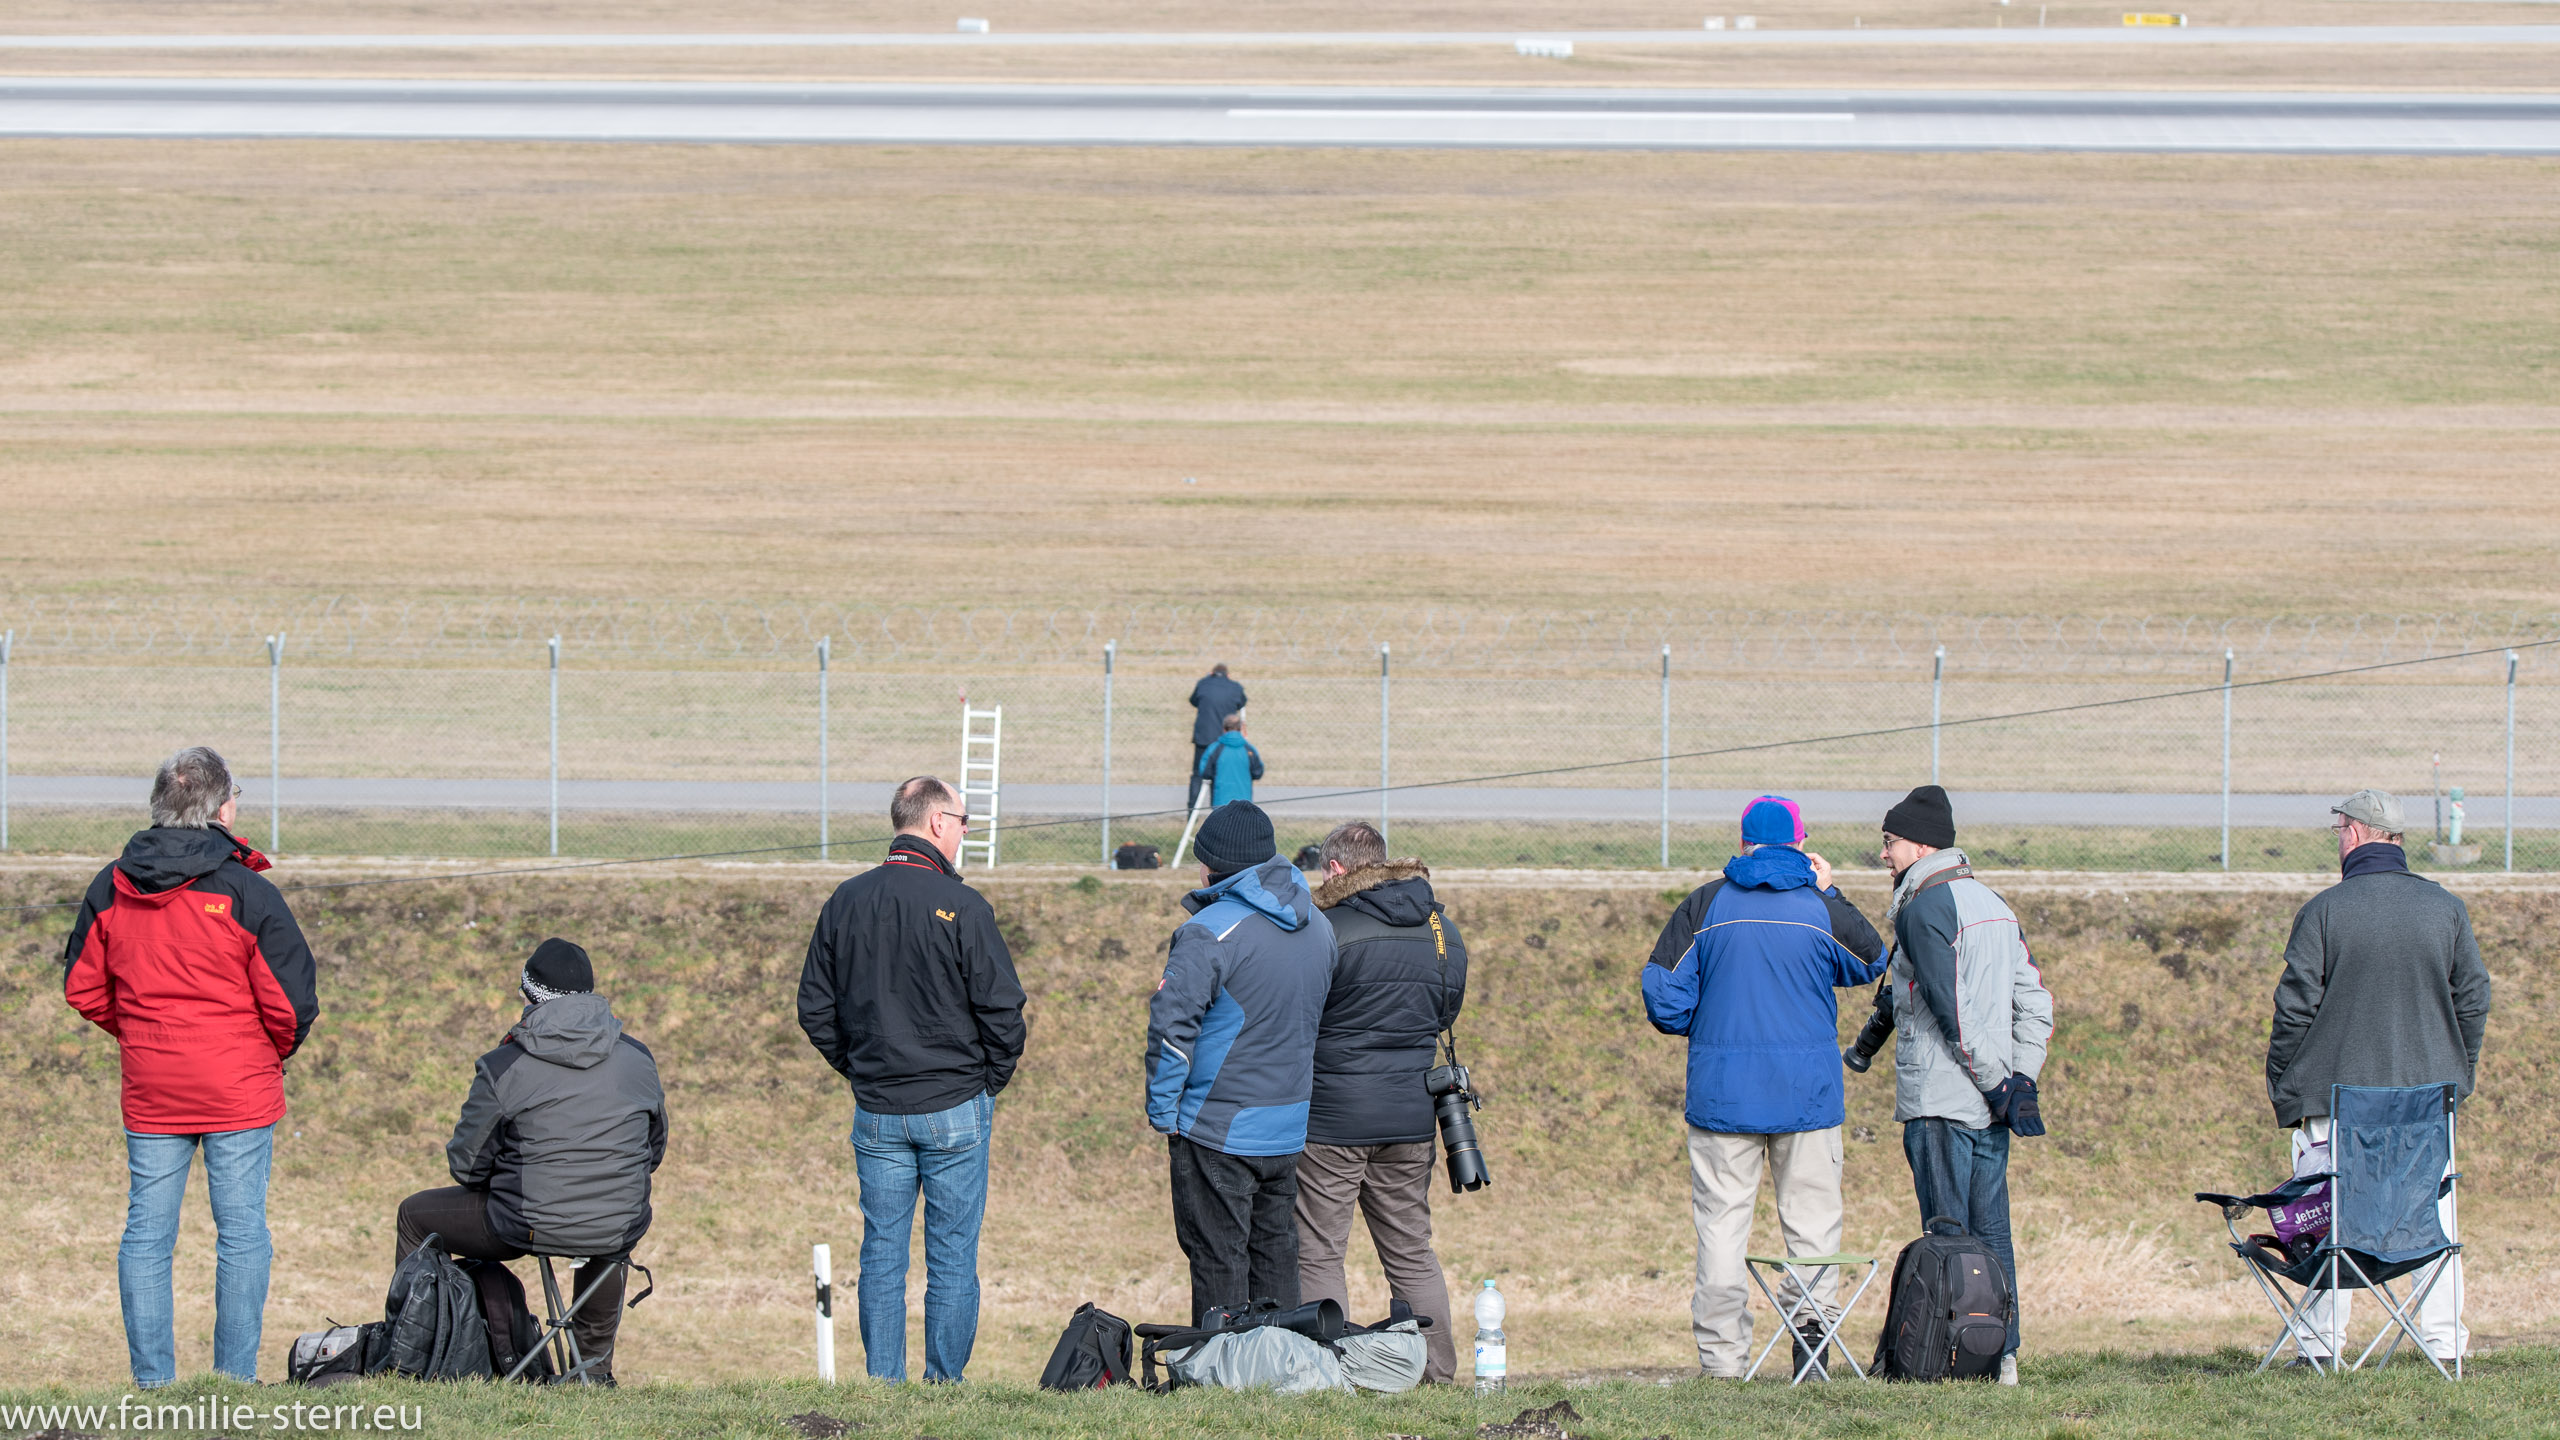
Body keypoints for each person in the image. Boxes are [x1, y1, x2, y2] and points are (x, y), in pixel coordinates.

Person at [63, 746, 318, 1389]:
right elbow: (291, 1000)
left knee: (147, 1235)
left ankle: (153, 1385)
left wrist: (147, 1036)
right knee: (241, 1235)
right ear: (222, 807)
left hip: (153, 1086)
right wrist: (265, 1052)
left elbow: (84, 986)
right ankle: (232, 1383)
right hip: (238, 1085)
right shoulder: (246, 890)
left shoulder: (110, 885)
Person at [1641, 795, 1885, 1380]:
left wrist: (1709, 1025)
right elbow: (1872, 958)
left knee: (1722, 1231)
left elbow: (1662, 998)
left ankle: (1723, 1364)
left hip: (1723, 1098)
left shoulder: (1704, 904)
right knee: (1812, 1229)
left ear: (1743, 842)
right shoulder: (1817, 909)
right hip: (1807, 1097)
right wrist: (1830, 892)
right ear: (1800, 844)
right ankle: (1811, 1355)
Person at [797, 776, 1027, 1383]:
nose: (965, 831)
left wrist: (859, 1066)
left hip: (879, 1107)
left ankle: (884, 1385)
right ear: (935, 823)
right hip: (953, 1103)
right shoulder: (964, 905)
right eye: (963, 820)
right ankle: (943, 1387)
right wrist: (986, 1082)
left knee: (882, 1256)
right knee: (951, 1257)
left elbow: (814, 1009)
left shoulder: (845, 899)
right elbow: (1003, 1010)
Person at [2266, 788, 2490, 1366]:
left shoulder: (2324, 911)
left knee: (2323, 1218)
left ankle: (2319, 1348)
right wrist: (2457, 1073)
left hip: (2335, 1101)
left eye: (2339, 829)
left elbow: (2294, 1010)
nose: (2337, 839)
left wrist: (2285, 1083)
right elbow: (2474, 998)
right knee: (2431, 1216)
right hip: (2426, 1100)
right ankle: (2445, 1346)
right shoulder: (2445, 908)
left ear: (2359, 833)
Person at [397, 938, 665, 1384]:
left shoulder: (505, 1064)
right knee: (609, 1225)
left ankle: (417, 1360)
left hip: (522, 1222)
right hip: (616, 1224)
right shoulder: (638, 1057)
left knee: (414, 1216)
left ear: (530, 997)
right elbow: (652, 1151)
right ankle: (593, 1374)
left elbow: (467, 1168)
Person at [1875, 783, 2052, 1386]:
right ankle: (2003, 1356)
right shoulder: (1995, 904)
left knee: (1947, 1232)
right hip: (1993, 1103)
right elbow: (2036, 1003)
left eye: (1890, 842)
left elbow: (1955, 1012)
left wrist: (2001, 1083)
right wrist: (2021, 1080)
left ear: (1921, 845)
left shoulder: (1925, 907)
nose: (1884, 855)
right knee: (1992, 1232)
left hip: (1944, 1100)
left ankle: (1952, 1360)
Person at [1148, 800, 1335, 1325]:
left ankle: (1220, 1382)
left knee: (1217, 1258)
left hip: (1216, 1131)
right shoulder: (1319, 928)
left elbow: (1171, 1031)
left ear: (1212, 866)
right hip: (1287, 1126)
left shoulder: (1208, 931)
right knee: (1277, 1258)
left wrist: (1165, 1113)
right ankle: (1278, 1373)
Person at [1295, 821, 1468, 1383]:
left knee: (1320, 1252)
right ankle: (1438, 1375)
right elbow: (1446, 1011)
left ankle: (1325, 1377)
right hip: (1412, 1116)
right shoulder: (1442, 928)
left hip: (1332, 1118)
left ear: (1338, 869)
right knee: (1412, 1253)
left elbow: (1303, 1015)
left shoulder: (1326, 927)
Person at [1186, 663, 1248, 809]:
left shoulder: (1203, 684)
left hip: (1204, 738)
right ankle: (1219, 812)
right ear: (1228, 675)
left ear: (1212, 673)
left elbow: (1193, 701)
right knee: (1221, 777)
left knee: (1198, 775)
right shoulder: (1235, 687)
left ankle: (1191, 811)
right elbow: (1242, 703)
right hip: (1225, 739)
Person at [1195, 712, 1267, 809]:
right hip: (1245, 804)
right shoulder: (1249, 749)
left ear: (1224, 729)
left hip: (1220, 803)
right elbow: (1258, 772)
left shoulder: (1215, 748)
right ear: (1240, 728)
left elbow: (1205, 772)